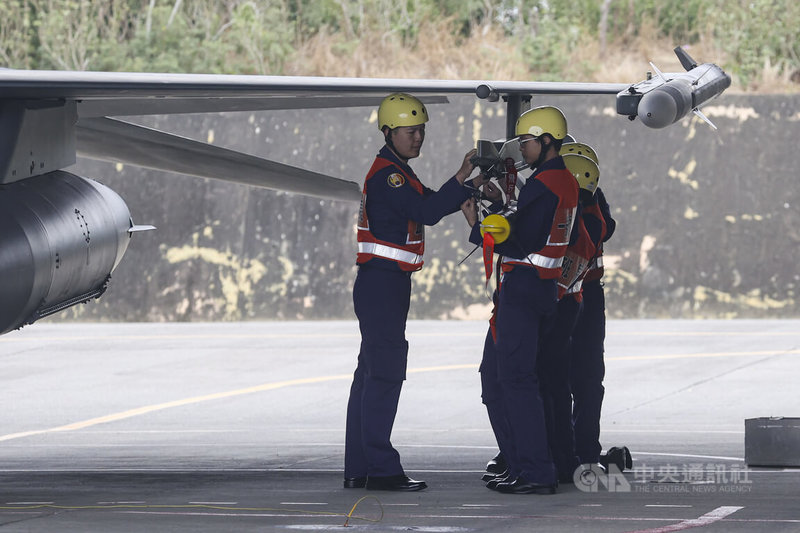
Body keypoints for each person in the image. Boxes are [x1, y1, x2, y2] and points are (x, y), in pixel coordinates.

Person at [344, 93, 481, 492]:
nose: (418, 138)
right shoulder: (390, 176)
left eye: (421, 131)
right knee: (384, 374)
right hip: (383, 284)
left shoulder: (398, 171)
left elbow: (429, 202)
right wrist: (461, 177)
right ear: (388, 132)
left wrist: (469, 184)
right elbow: (426, 212)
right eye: (409, 132)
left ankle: (359, 467)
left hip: (382, 283)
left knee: (370, 375)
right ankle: (381, 470)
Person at [461, 105, 578, 494]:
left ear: (546, 140)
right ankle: (522, 464)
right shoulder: (560, 180)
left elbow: (521, 240)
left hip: (524, 290)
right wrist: (500, 206)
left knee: (515, 380)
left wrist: (476, 226)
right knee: (505, 378)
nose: (522, 149)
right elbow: (533, 228)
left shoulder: (545, 184)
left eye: (526, 141)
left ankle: (534, 471)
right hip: (539, 290)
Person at [536, 150, 603, 483]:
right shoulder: (592, 212)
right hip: (577, 298)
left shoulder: (581, 217)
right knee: (572, 380)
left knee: (554, 380)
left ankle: (560, 453)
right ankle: (571, 453)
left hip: (564, 301)